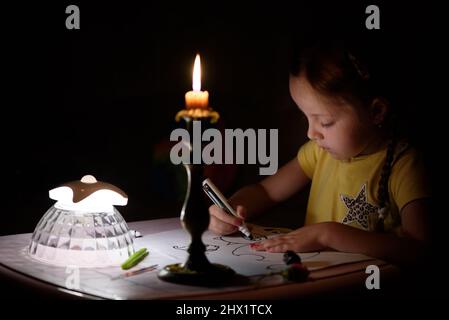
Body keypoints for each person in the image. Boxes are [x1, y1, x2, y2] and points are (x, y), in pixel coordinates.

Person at [208, 40, 432, 266]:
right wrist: (230, 211)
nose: (310, 133)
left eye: (325, 122)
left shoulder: (404, 165)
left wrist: (328, 234)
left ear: (376, 111)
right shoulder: (318, 153)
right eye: (306, 117)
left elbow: (420, 249)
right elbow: (266, 192)